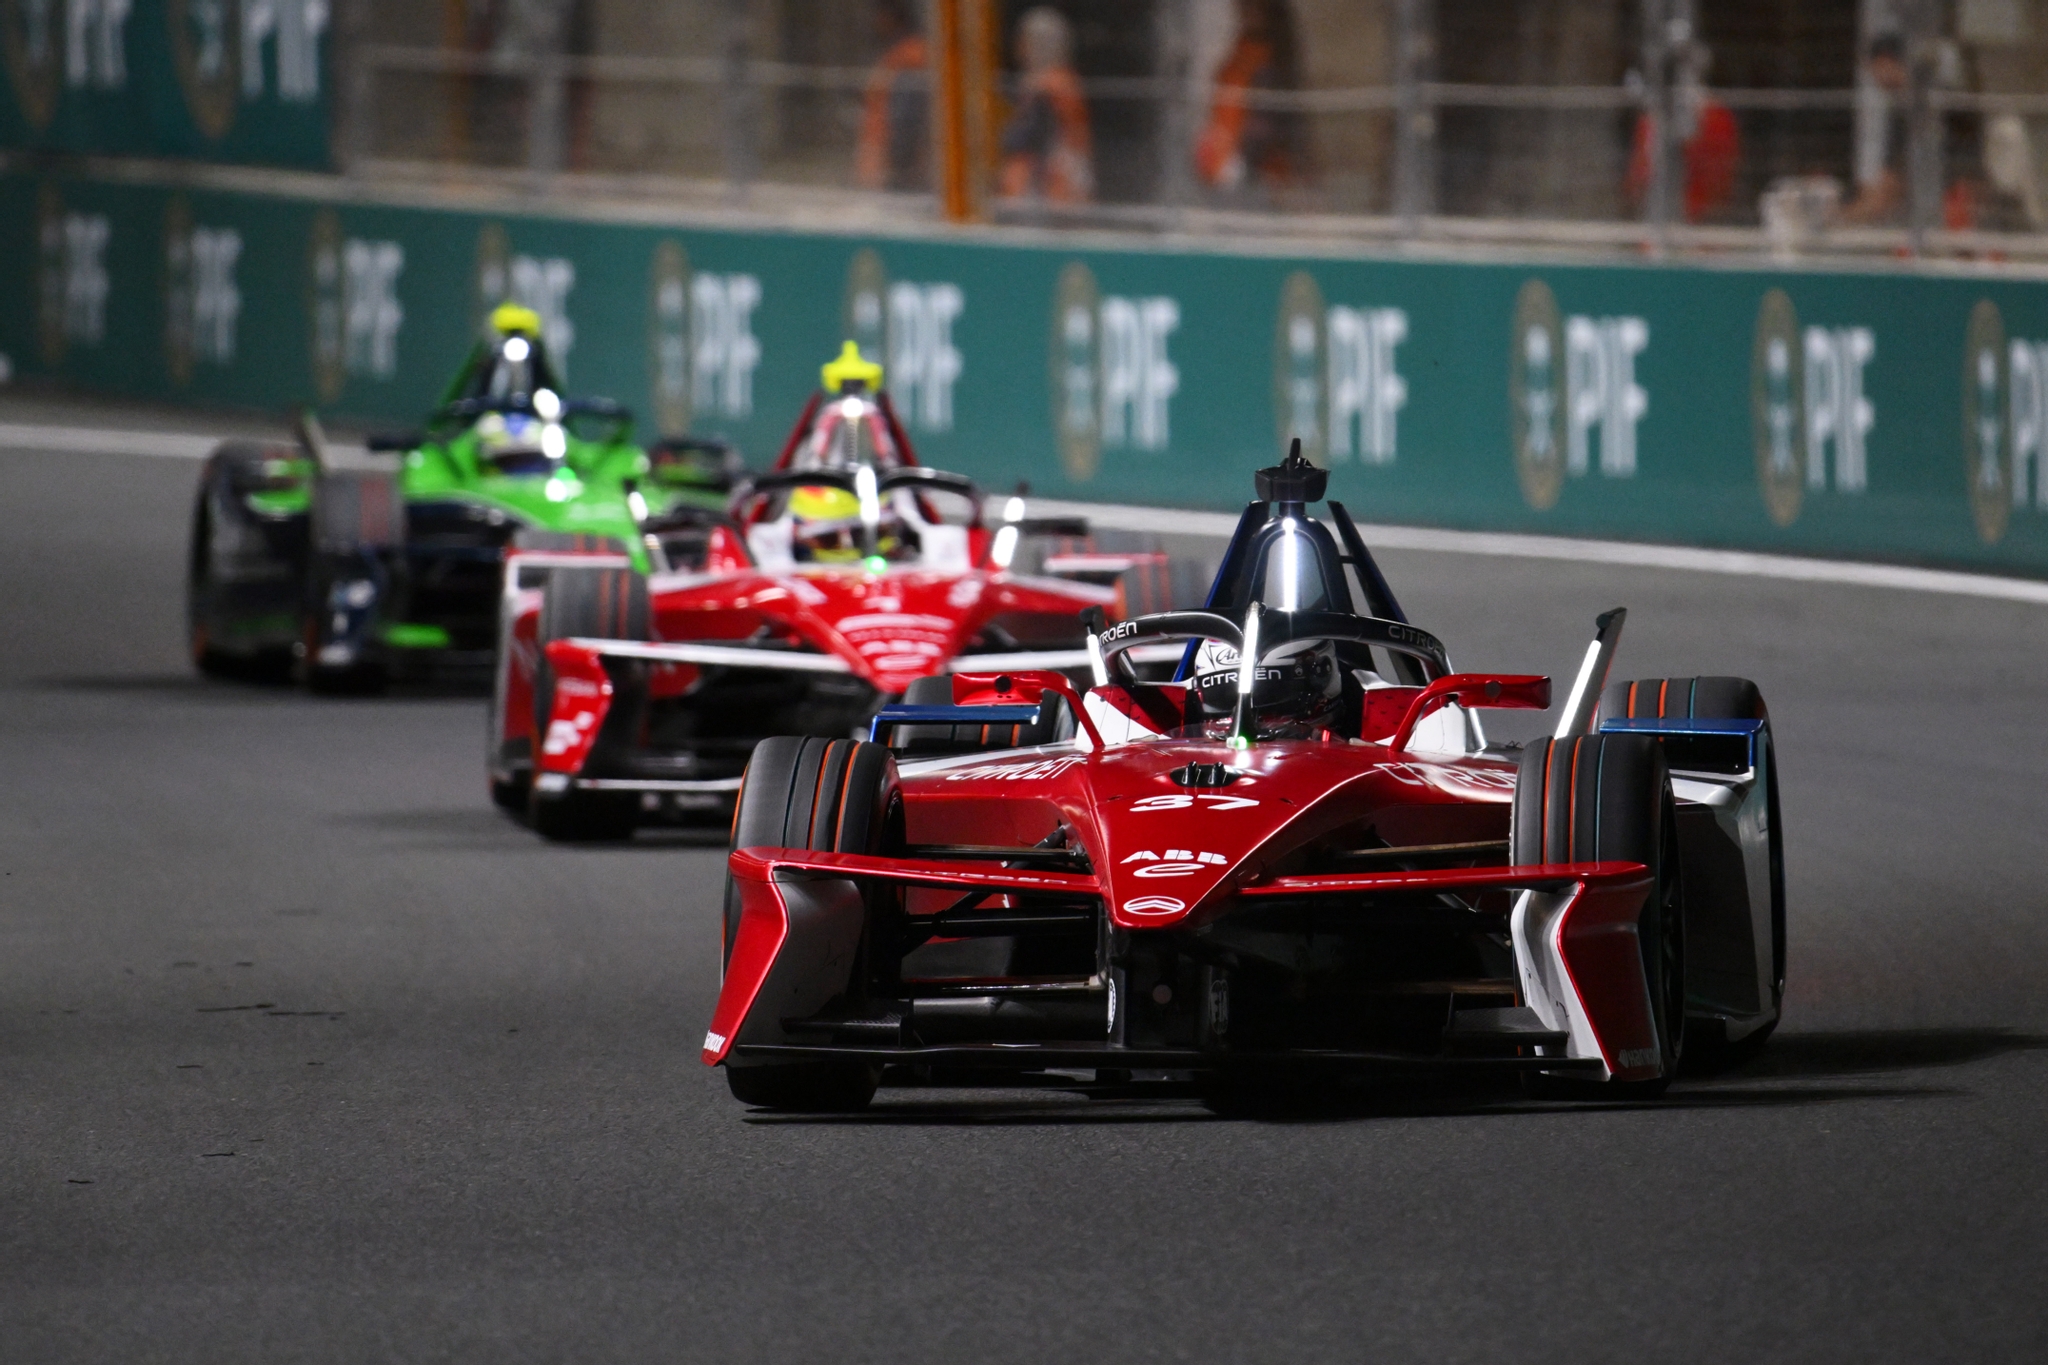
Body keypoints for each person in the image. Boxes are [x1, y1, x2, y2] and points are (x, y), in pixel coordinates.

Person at [1194, 0, 1306, 193]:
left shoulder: (1269, 61)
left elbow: (1271, 122)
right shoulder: (1242, 49)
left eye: (1251, 7)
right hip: (1229, 155)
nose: (1242, 11)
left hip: (1250, 163)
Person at [1626, 42, 1740, 223]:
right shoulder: (1652, 118)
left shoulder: (1717, 115)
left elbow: (1720, 176)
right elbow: (1639, 175)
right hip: (1661, 211)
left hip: (1698, 213)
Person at [998, 8, 1094, 204]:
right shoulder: (1036, 80)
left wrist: (1062, 169)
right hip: (1035, 170)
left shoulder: (1058, 82)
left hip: (1054, 172)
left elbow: (1073, 133)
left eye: (1025, 39)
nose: (1020, 46)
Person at [857, 0, 929, 192]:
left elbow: (908, 112)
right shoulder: (896, 52)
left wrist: (897, 152)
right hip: (880, 138)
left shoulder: (911, 54)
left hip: (890, 143)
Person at [1841, 33, 1910, 225]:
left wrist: (1842, 217)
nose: (1874, 76)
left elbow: (1890, 188)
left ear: (1887, 62)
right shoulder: (1899, 108)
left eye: (1875, 67)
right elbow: (1888, 176)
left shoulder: (1917, 109)